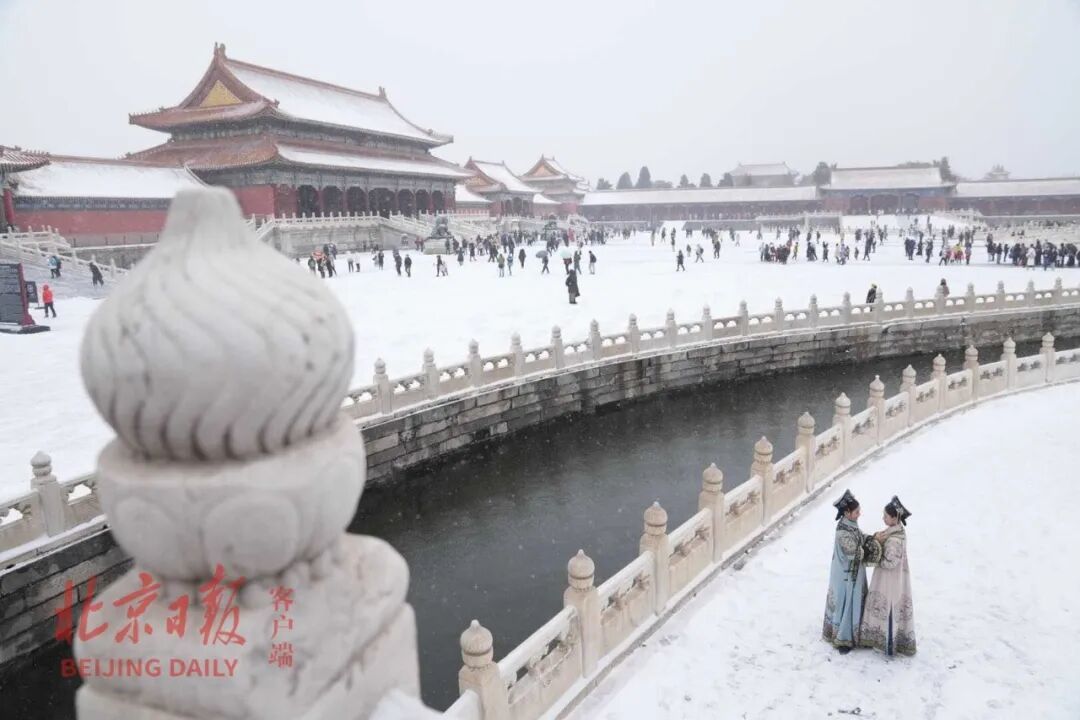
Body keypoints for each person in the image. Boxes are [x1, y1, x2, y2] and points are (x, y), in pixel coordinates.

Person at [860, 496, 916, 656]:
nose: (883, 518)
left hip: (889, 580)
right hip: (894, 579)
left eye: (885, 516)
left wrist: (876, 557)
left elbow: (890, 562)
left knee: (889, 607)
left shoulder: (894, 540)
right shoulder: (895, 532)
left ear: (894, 518)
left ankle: (889, 644)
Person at [823, 490, 867, 654]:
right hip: (845, 575)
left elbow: (860, 537)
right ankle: (843, 638)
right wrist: (868, 549)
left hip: (852, 573)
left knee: (850, 601)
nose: (859, 514)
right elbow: (854, 553)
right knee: (845, 602)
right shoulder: (842, 532)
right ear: (847, 513)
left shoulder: (851, 525)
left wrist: (872, 539)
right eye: (856, 512)